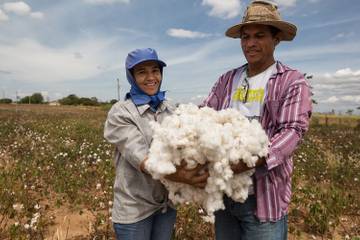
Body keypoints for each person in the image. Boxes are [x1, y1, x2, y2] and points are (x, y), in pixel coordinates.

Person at [201, 1, 312, 239]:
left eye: (259, 35)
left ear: (276, 39)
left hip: (263, 197)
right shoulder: (228, 80)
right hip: (225, 194)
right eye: (245, 37)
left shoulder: (291, 81)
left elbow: (292, 131)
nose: (250, 43)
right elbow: (204, 115)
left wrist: (247, 161)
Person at [104, 48, 208, 240]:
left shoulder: (169, 108)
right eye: (142, 72)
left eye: (155, 70)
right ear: (132, 77)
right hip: (134, 209)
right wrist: (184, 176)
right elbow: (142, 158)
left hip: (165, 207)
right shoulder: (121, 113)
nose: (151, 77)